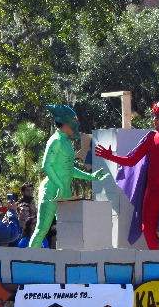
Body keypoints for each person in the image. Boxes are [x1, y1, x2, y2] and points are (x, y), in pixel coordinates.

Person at [95, 101, 159, 251]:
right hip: (153, 192)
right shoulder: (150, 138)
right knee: (147, 228)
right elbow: (131, 161)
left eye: (158, 117)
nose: (154, 120)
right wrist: (111, 157)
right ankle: (155, 258)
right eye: (154, 117)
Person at [29, 104, 108, 248]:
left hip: (64, 192)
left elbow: (69, 169)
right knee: (42, 229)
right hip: (51, 191)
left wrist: (92, 177)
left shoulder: (66, 141)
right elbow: (46, 166)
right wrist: (59, 185)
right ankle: (28, 261)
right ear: (65, 122)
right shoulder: (55, 140)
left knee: (68, 229)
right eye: (74, 119)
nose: (76, 123)